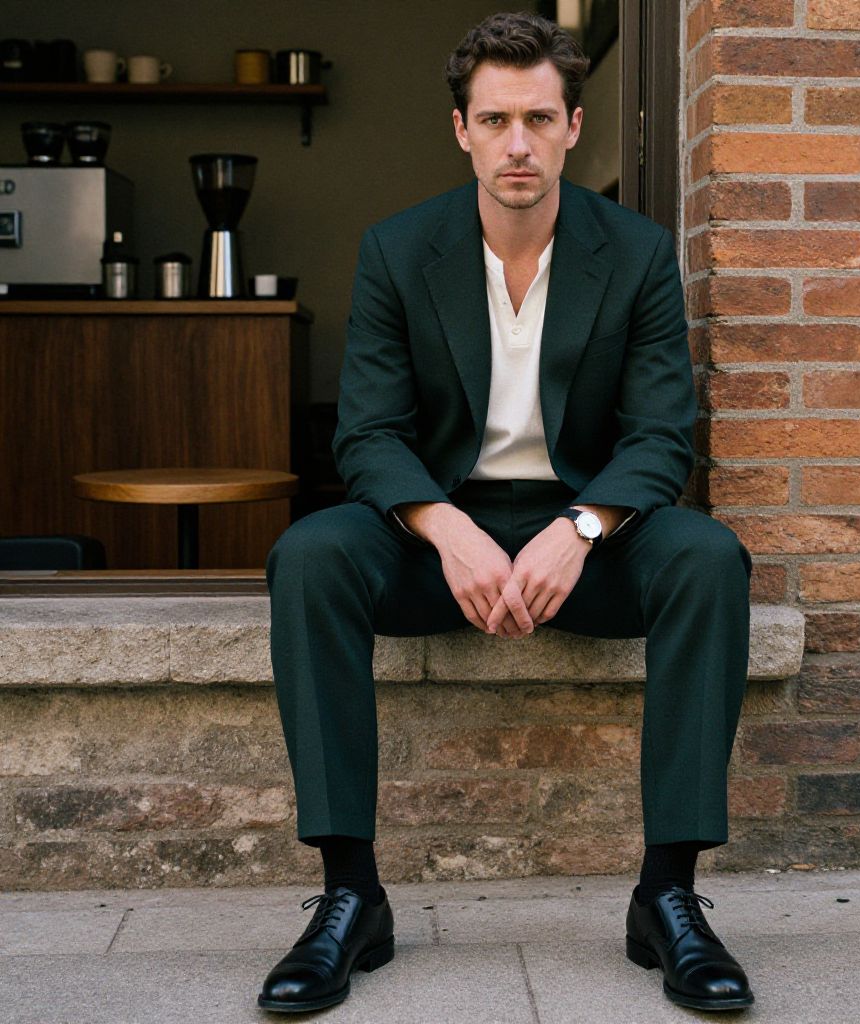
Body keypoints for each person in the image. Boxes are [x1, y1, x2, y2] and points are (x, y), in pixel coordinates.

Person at [257, 11, 754, 1015]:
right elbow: (366, 433)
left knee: (709, 558)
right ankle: (350, 893)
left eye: (538, 118)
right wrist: (445, 527)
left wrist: (581, 530)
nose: (517, 144)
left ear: (574, 125)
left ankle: (668, 895)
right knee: (309, 555)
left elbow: (661, 435)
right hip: (435, 536)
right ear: (462, 131)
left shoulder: (638, 251)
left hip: (589, 537)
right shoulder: (399, 250)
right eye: (495, 120)